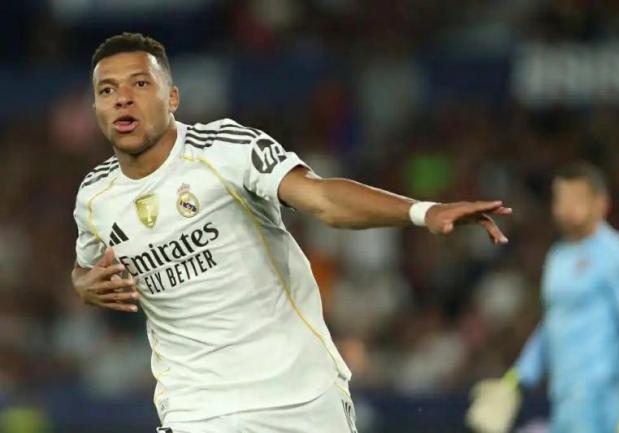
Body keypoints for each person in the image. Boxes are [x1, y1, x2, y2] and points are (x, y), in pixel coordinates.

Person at [71, 32, 511, 433]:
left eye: (139, 84)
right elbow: (85, 269)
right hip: (195, 408)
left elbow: (322, 199)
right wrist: (83, 285)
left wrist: (423, 212)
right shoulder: (95, 198)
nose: (122, 99)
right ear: (95, 109)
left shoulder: (225, 151)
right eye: (107, 90)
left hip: (298, 396)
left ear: (172, 97)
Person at [467, 162, 619, 433]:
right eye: (561, 198)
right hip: (564, 399)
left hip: (606, 400)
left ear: (601, 204)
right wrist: (518, 379)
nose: (566, 207)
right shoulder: (558, 257)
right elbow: (552, 323)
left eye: (576, 199)